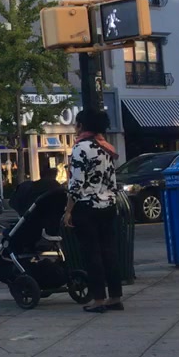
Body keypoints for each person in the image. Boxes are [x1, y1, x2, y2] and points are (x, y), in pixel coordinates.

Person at [63, 109, 122, 312]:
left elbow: (76, 183)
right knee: (109, 251)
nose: (74, 127)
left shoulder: (81, 148)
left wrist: (68, 210)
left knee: (92, 253)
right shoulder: (106, 147)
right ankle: (115, 296)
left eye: (76, 124)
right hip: (108, 204)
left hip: (87, 206)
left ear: (81, 126)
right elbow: (112, 180)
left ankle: (98, 299)